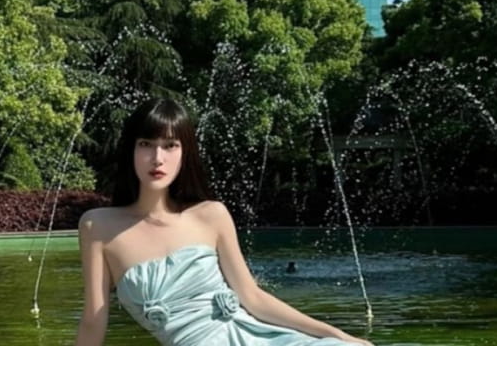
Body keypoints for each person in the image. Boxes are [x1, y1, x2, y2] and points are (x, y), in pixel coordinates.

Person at [75, 97, 372, 346]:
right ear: (130, 149)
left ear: (185, 152)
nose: (157, 158)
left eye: (170, 145)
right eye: (145, 144)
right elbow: (93, 320)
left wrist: (336, 334)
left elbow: (253, 298)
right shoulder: (98, 227)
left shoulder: (211, 215)